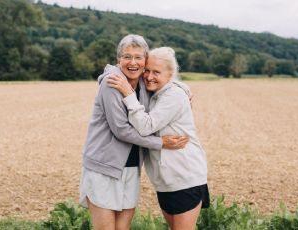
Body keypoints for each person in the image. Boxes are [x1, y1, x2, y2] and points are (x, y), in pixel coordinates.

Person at [79, 35, 189, 230]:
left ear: (145, 60)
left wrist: (184, 89)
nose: (132, 62)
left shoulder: (144, 84)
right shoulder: (111, 83)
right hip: (103, 167)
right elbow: (121, 130)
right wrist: (160, 143)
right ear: (118, 60)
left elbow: (167, 81)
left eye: (138, 57)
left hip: (131, 168)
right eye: (127, 57)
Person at [107, 47, 209, 230]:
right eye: (147, 70)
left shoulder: (174, 95)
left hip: (185, 177)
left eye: (156, 72)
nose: (149, 76)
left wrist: (128, 95)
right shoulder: (155, 94)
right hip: (165, 182)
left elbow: (146, 126)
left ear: (170, 75)